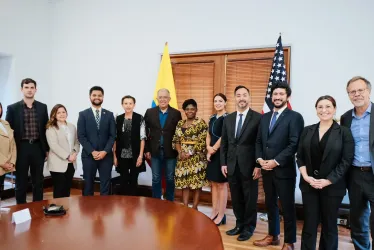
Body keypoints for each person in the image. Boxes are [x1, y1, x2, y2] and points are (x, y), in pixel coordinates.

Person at [297, 95, 354, 250]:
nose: (324, 110)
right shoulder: (307, 130)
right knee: (309, 224)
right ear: (316, 110)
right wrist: (306, 177)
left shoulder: (344, 132)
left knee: (329, 226)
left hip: (333, 187)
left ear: (334, 109)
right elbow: (300, 156)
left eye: (328, 106)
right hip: (309, 185)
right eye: (320, 107)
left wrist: (327, 180)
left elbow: (346, 161)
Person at [254, 82, 304, 250]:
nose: (277, 97)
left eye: (281, 94)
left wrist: (275, 161)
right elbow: (259, 141)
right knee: (270, 204)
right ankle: (273, 235)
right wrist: (260, 160)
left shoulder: (295, 117)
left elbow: (294, 144)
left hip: (284, 170)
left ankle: (289, 241)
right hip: (266, 169)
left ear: (287, 97)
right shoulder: (264, 117)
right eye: (275, 94)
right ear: (271, 97)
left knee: (287, 206)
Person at [221, 85, 262, 241]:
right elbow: (224, 143)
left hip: (250, 166)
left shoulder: (258, 118)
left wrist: (258, 165)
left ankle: (249, 228)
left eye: (245, 95)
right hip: (231, 165)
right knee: (236, 198)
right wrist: (223, 163)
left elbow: (260, 142)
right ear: (235, 98)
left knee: (250, 198)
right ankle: (239, 225)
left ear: (249, 97)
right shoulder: (228, 119)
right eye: (239, 95)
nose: (242, 98)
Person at [340, 76, 374, 250]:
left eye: (360, 90)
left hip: (372, 173)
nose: (357, 94)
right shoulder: (346, 118)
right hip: (354, 174)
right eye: (352, 91)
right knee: (358, 218)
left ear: (369, 91)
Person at [6, 78, 49, 204]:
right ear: (22, 89)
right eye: (26, 87)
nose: (29, 90)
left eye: (32, 87)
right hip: (21, 148)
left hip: (37, 147)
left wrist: (46, 150)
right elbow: (9, 132)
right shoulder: (13, 108)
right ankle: (20, 209)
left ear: (36, 89)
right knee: (21, 182)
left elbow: (45, 129)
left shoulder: (42, 107)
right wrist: (10, 153)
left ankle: (38, 209)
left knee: (38, 181)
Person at [144, 88, 182, 201]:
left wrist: (179, 150)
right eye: (160, 97)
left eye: (165, 97)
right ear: (157, 98)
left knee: (170, 178)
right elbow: (144, 132)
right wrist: (146, 149)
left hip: (171, 151)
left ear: (169, 99)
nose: (163, 99)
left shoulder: (176, 113)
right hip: (154, 151)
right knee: (156, 178)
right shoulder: (150, 112)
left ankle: (170, 201)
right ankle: (156, 200)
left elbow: (179, 134)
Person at [77, 86, 116, 196]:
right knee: (88, 185)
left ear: (103, 97)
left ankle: (105, 210)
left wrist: (105, 151)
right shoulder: (83, 114)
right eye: (94, 95)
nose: (97, 97)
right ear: (90, 97)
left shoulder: (109, 115)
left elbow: (112, 136)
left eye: (99, 95)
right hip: (89, 156)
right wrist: (92, 151)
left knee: (105, 185)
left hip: (106, 156)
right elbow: (81, 136)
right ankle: (88, 211)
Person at [172, 99, 208, 209]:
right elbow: (176, 140)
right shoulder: (180, 123)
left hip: (197, 158)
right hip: (182, 158)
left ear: (196, 110)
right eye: (187, 109)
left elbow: (203, 141)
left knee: (196, 185)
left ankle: (195, 207)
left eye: (192, 109)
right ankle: (186, 207)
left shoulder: (201, 123)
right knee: (184, 184)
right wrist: (180, 152)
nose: (190, 111)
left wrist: (190, 153)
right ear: (184, 111)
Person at [113, 95, 146, 196]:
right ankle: (123, 204)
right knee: (123, 179)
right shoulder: (118, 118)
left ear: (134, 105)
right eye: (125, 103)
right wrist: (114, 156)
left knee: (133, 179)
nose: (128, 106)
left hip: (135, 154)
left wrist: (140, 156)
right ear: (122, 105)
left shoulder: (139, 118)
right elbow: (115, 139)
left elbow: (142, 138)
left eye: (130, 103)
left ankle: (133, 204)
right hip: (121, 154)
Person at [46, 104, 80, 198]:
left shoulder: (72, 127)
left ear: (66, 113)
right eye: (58, 112)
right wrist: (68, 156)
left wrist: (74, 153)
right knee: (59, 189)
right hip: (57, 163)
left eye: (63, 112)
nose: (62, 114)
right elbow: (54, 145)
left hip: (71, 163)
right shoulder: (51, 128)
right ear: (54, 115)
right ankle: (57, 210)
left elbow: (77, 142)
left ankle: (65, 210)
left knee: (67, 188)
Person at [206, 93, 228, 225]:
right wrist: (208, 147)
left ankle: (221, 215)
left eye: (220, 101)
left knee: (222, 185)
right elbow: (208, 134)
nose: (218, 103)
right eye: (215, 101)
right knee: (213, 184)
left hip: (222, 153)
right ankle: (214, 212)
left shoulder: (228, 118)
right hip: (212, 153)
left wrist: (213, 149)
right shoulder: (212, 117)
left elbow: (224, 137)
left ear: (225, 103)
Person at [0, 102, 16, 198]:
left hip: (6, 164)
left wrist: (12, 162)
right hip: (2, 163)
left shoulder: (5, 124)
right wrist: (3, 163)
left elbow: (13, 144)